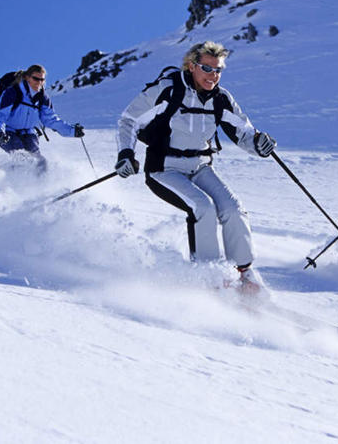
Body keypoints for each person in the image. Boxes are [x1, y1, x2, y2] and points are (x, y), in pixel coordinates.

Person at [114, 41, 276, 293]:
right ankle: (210, 277)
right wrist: (126, 153)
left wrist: (259, 144)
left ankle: (244, 274)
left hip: (200, 167)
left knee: (233, 210)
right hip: (164, 168)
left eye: (218, 70)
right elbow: (129, 121)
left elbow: (243, 132)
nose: (213, 75)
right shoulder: (168, 90)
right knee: (203, 208)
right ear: (191, 66)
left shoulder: (221, 98)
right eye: (207, 68)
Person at [0, 64, 84, 173]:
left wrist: (72, 131)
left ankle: (42, 183)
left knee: (41, 163)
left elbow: (50, 119)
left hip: (29, 133)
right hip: (9, 133)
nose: (39, 82)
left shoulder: (42, 97)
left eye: (42, 80)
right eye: (36, 79)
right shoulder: (13, 92)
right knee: (21, 157)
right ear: (27, 77)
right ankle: (15, 181)